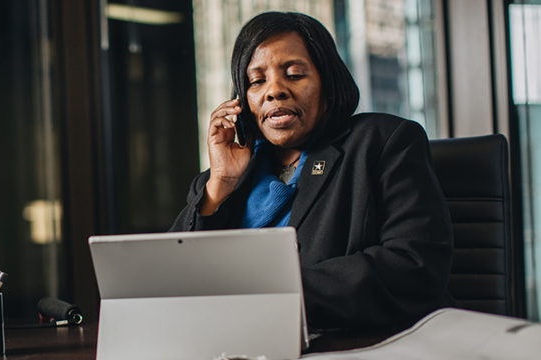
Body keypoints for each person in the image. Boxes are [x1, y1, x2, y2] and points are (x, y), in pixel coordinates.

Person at [170, 11, 457, 331]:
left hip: (351, 342)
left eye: (293, 74)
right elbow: (172, 280)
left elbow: (414, 265)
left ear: (327, 81)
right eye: (257, 81)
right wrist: (221, 182)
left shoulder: (382, 142)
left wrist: (276, 297)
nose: (273, 90)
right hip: (233, 340)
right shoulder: (225, 177)